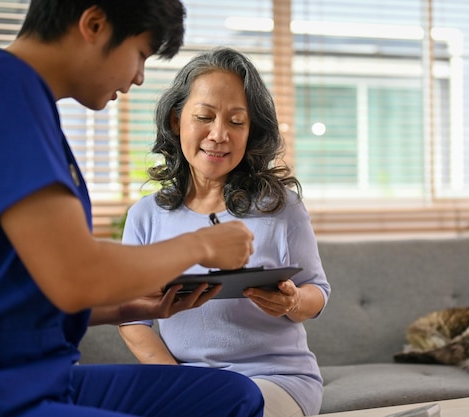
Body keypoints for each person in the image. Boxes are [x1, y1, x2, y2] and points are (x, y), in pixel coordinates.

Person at [0, 2, 264, 417]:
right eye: (141, 54)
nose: (138, 77)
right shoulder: (1, 88)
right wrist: (202, 244)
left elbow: (30, 286)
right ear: (94, 24)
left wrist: (132, 307)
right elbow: (75, 273)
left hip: (42, 376)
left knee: (235, 397)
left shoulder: (28, 102)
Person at [118, 47, 331, 417]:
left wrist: (294, 301)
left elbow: (318, 292)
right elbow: (131, 318)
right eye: (204, 116)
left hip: (275, 379)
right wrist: (177, 385)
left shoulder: (281, 208)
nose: (218, 135)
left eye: (236, 122)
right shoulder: (145, 217)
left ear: (251, 133)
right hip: (185, 381)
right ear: (175, 120)